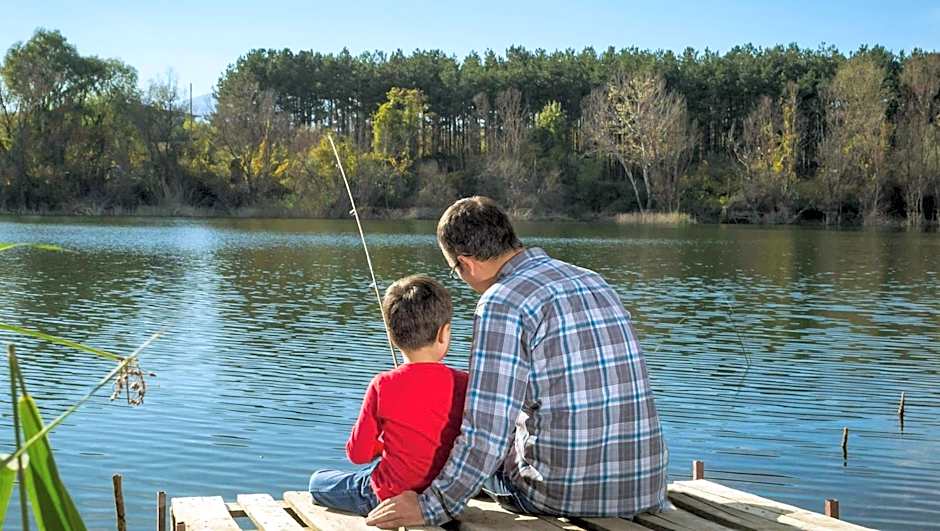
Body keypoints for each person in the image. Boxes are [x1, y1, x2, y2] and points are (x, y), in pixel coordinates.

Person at [366, 196, 668, 528]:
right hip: (645, 488)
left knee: (447, 446)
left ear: (466, 263)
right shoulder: (593, 280)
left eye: (455, 272)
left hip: (559, 495)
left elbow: (485, 433)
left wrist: (431, 507)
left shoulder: (501, 302)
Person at [308, 275, 468, 516]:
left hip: (386, 495)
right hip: (442, 494)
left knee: (317, 482)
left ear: (392, 337)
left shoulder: (383, 385)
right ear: (444, 334)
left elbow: (358, 454)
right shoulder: (464, 383)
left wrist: (381, 446)